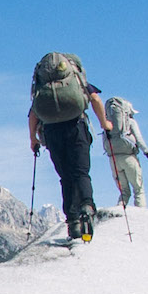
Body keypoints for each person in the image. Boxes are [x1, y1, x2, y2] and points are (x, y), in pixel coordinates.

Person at [26, 52, 109, 243]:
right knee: (81, 173)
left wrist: (33, 139)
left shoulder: (42, 87)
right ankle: (87, 207)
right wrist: (105, 124)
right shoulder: (76, 81)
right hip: (76, 126)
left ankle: (73, 222)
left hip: (52, 132)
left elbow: (33, 115)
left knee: (65, 177)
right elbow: (95, 100)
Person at [99, 92, 148, 210]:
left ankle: (119, 213)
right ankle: (142, 215)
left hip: (113, 159)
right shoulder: (130, 122)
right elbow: (139, 139)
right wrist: (147, 152)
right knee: (138, 190)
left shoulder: (108, 123)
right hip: (129, 157)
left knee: (124, 191)